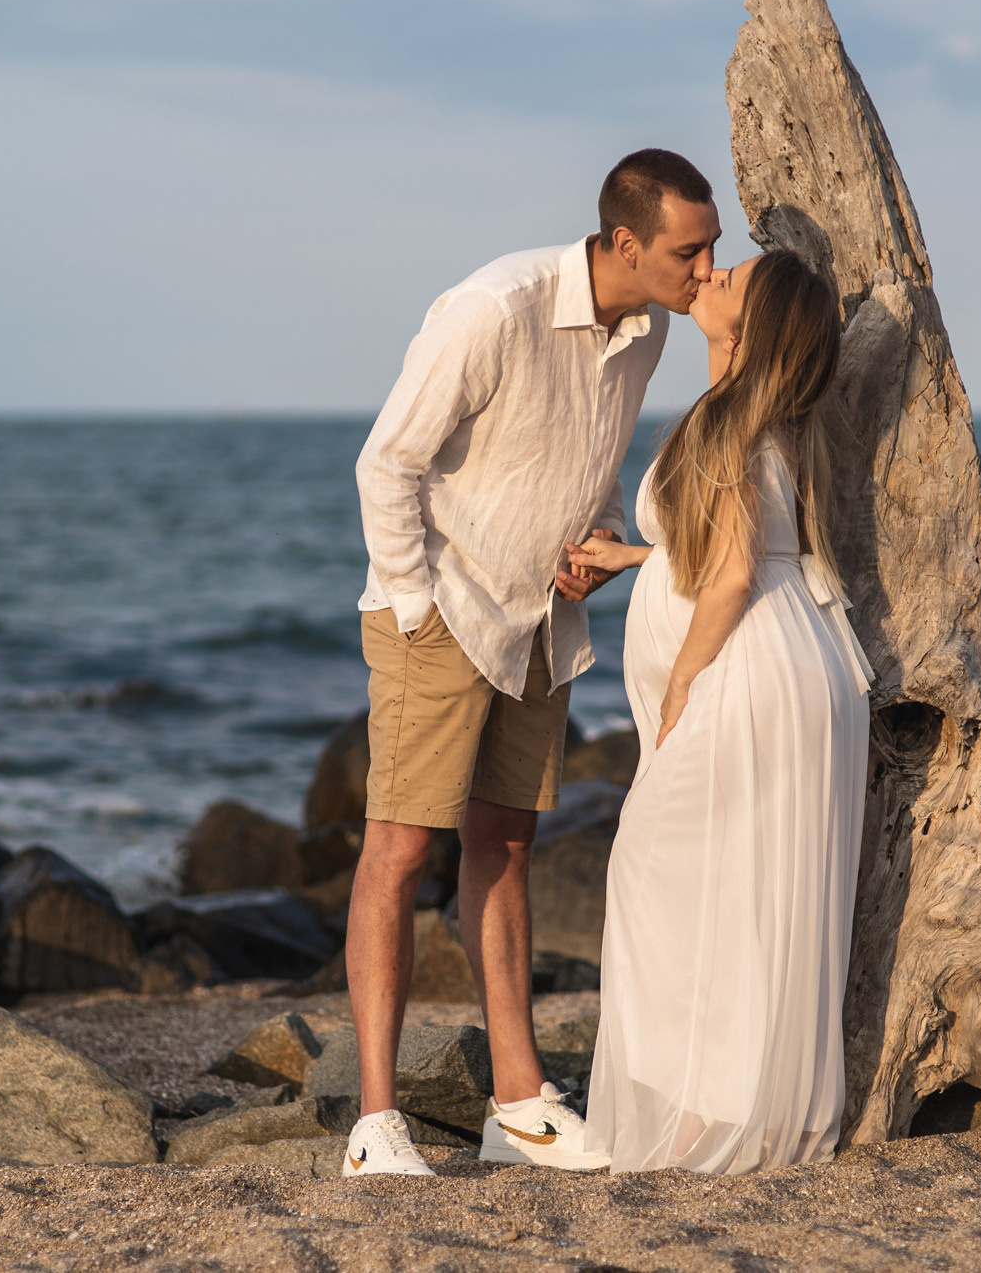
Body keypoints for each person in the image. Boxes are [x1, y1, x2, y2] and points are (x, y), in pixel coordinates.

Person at [342, 149, 720, 1177]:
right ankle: (376, 1123)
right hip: (443, 610)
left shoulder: (644, 332)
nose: (706, 266)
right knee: (399, 850)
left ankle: (517, 1105)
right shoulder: (493, 307)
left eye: (711, 246)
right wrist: (417, 605)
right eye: (690, 249)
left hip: (538, 621)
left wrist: (595, 540)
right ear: (625, 242)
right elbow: (388, 460)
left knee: (504, 847)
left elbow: (576, 461)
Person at [568, 248, 874, 1175]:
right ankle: (739, 1106)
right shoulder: (768, 418)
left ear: (751, 328)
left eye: (728, 276)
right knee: (747, 892)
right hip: (807, 663)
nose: (710, 273)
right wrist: (630, 562)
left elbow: (734, 570)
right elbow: (729, 544)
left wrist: (680, 685)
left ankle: (706, 1116)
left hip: (749, 672)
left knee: (658, 874)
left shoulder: (733, 428)